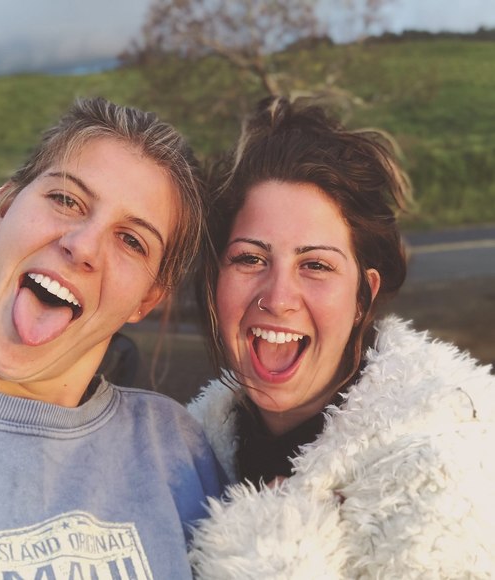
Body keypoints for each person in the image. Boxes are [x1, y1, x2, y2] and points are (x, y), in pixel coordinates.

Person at [0, 97, 225, 578]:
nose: (82, 246)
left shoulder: (179, 450)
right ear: (0, 212)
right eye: (66, 200)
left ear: (147, 300)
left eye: (131, 240)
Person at [187, 96, 495, 578]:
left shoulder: (444, 475)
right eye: (250, 258)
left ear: (362, 299)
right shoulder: (183, 454)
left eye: (316, 265)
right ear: (215, 280)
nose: (278, 297)